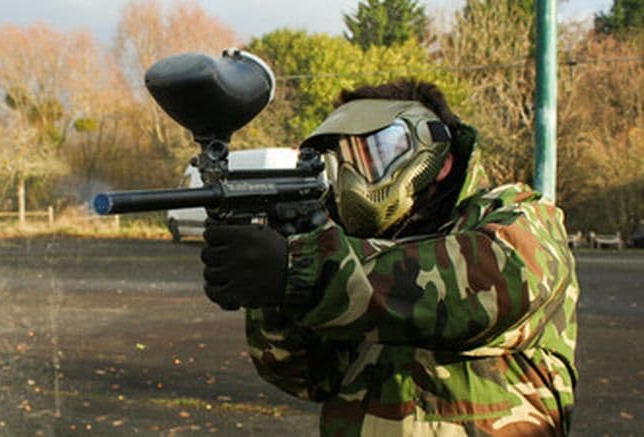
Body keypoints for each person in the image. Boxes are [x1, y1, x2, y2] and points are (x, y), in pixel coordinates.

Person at [200, 78, 579, 436]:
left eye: (375, 154)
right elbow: (306, 377)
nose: (353, 177)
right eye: (343, 160)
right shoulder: (347, 246)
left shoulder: (519, 216)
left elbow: (488, 286)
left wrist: (305, 268)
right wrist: (276, 296)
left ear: (438, 160)